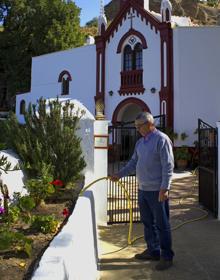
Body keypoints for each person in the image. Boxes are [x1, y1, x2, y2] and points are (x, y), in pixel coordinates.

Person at [111, 112, 174, 271]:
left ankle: (166, 256)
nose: (137, 129)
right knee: (147, 223)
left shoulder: (162, 140)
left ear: (149, 124)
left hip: (157, 191)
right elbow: (133, 163)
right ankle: (153, 251)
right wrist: (119, 174)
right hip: (143, 189)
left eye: (139, 126)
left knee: (162, 224)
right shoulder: (140, 143)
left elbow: (168, 166)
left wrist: (165, 188)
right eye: (136, 126)